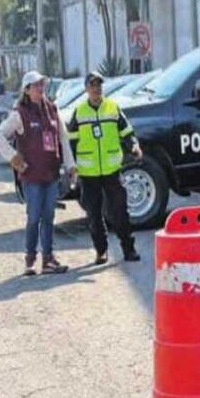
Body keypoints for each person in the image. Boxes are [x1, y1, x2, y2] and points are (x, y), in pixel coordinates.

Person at [0, 71, 75, 276]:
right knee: (34, 217)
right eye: (36, 85)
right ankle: (30, 259)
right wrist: (13, 158)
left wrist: (71, 165)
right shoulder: (20, 113)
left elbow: (63, 139)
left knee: (48, 217)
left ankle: (48, 260)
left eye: (42, 84)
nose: (40, 88)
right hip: (32, 178)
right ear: (27, 90)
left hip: (51, 174)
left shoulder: (53, 109)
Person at [68, 72, 142, 264]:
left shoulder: (112, 108)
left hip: (111, 170)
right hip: (89, 173)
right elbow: (71, 142)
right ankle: (101, 251)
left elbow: (127, 132)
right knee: (94, 215)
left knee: (120, 213)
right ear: (86, 89)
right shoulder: (79, 112)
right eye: (92, 85)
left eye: (99, 85)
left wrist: (134, 146)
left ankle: (128, 249)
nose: (96, 89)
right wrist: (72, 167)